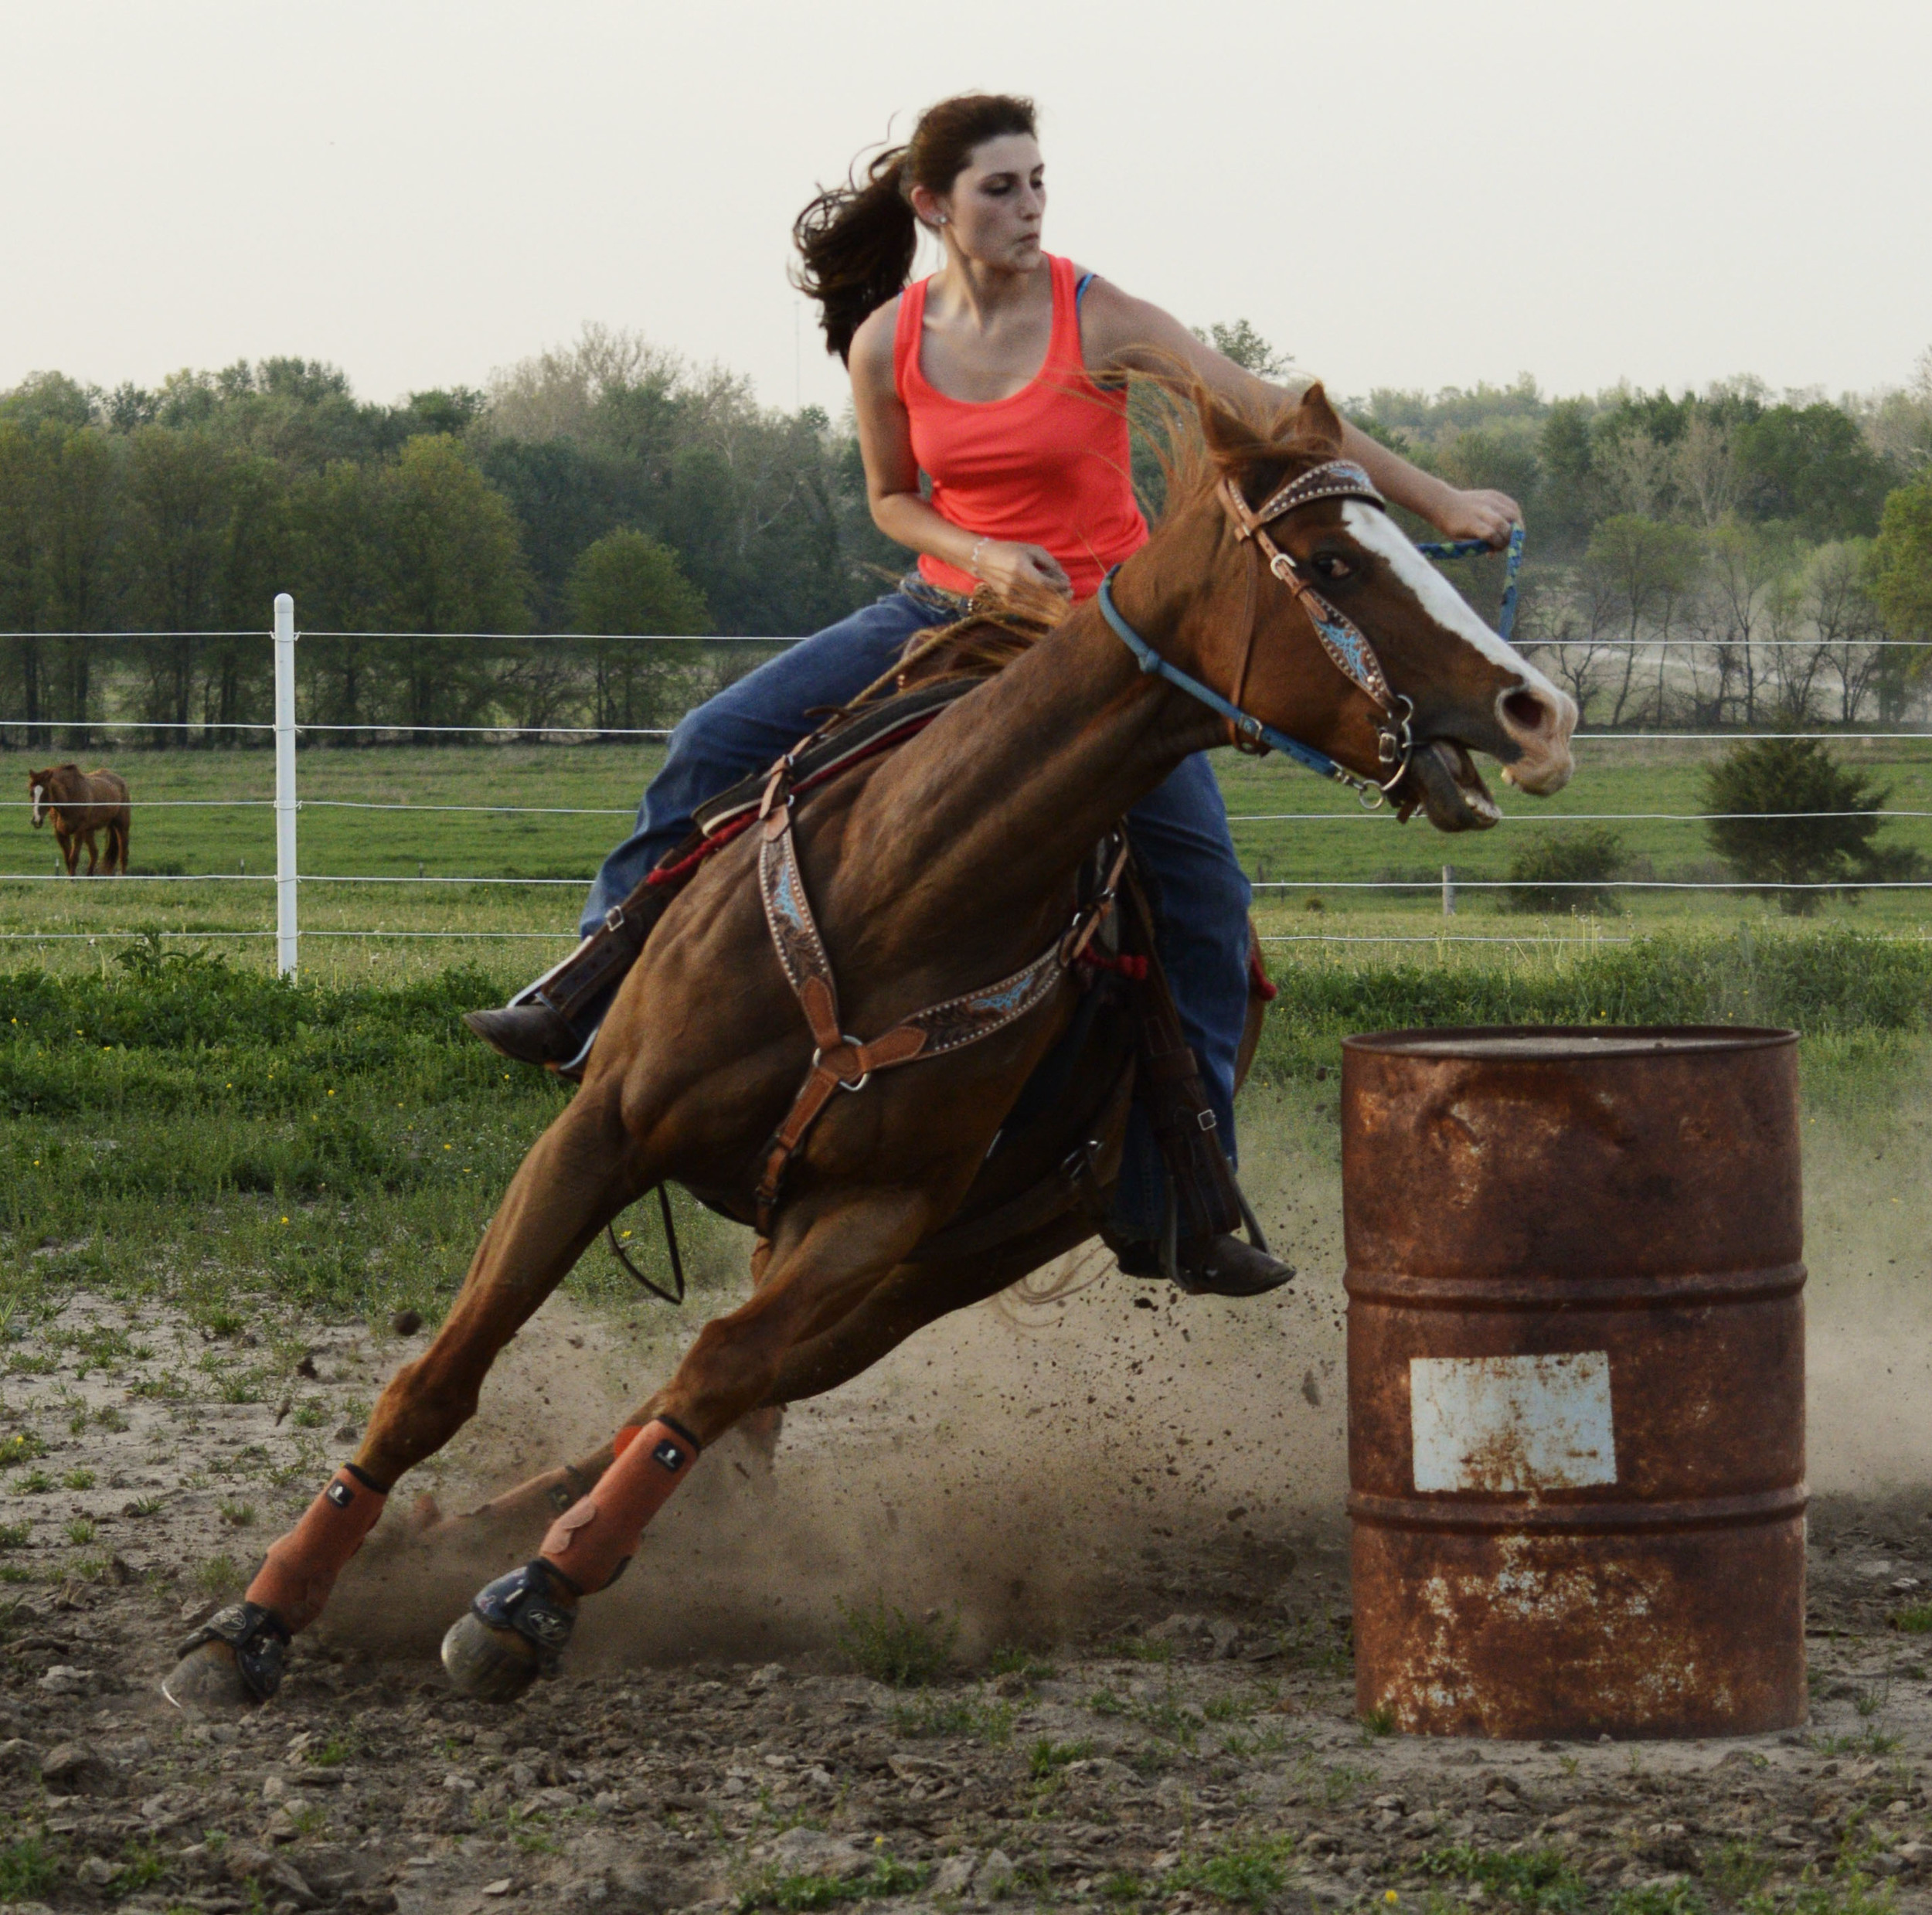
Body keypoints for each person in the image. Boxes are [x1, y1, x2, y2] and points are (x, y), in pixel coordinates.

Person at [466, 92, 1522, 1295]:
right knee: (710, 740)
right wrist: (977, 558)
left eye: (1037, 183)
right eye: (1000, 189)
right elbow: (893, 498)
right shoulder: (888, 344)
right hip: (942, 613)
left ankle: (1186, 1188)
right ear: (933, 207)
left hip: (1110, 646)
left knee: (1206, 900)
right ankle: (588, 992)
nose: (1029, 208)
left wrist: (1441, 502)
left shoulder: (1099, 315)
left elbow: (1279, 413)